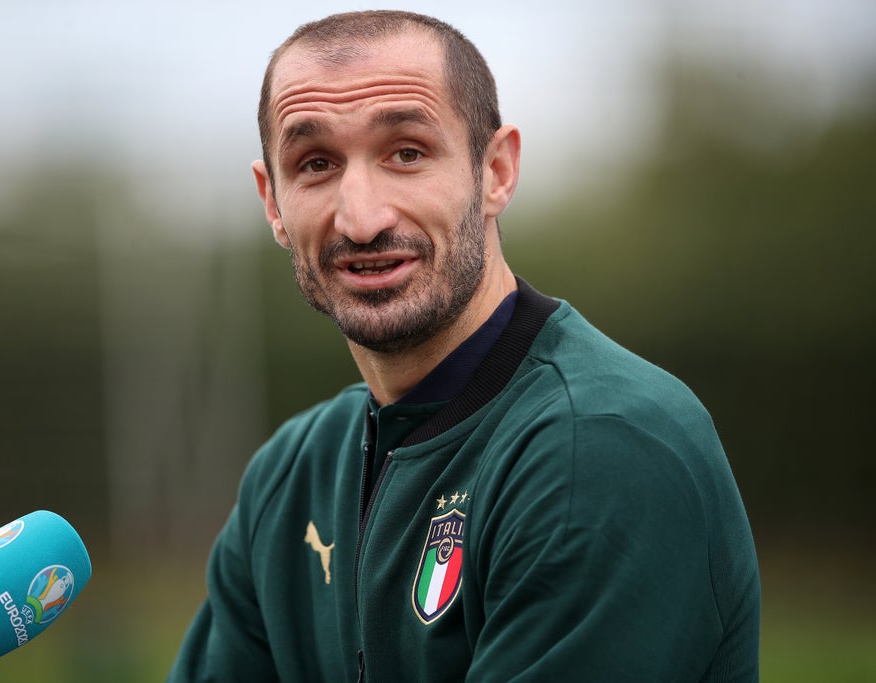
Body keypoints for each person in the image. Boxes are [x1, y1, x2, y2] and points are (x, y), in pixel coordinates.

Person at [168, 10, 760, 682]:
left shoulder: (601, 447)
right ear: (273, 202)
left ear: (496, 171)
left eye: (407, 153)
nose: (361, 218)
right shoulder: (289, 476)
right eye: (316, 164)